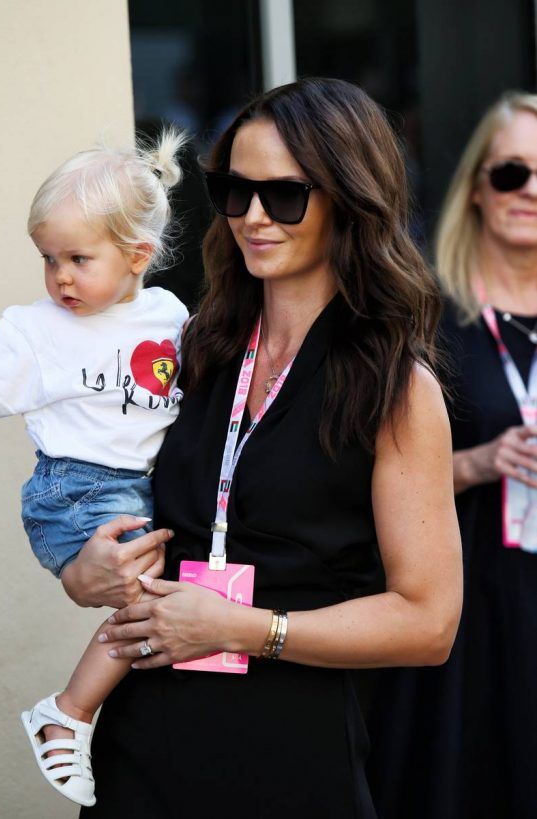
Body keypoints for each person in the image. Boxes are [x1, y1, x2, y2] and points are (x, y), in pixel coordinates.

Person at [61, 77, 461, 819]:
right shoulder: (188, 352)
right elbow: (105, 507)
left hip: (289, 748)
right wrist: (85, 570)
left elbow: (427, 620)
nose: (251, 216)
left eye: (282, 195)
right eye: (232, 190)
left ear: (346, 196)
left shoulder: (394, 386)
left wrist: (246, 628)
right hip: (142, 740)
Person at [0, 129, 188, 807]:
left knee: (162, 606)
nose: (60, 278)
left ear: (136, 257)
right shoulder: (35, 328)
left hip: (141, 490)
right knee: (149, 609)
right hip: (75, 489)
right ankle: (69, 713)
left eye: (78, 258)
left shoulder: (169, 315)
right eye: (49, 259)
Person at [367, 91, 537, 819]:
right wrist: (479, 460)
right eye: (510, 173)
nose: (529, 190)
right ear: (475, 186)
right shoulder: (424, 320)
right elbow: (366, 471)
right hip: (467, 615)